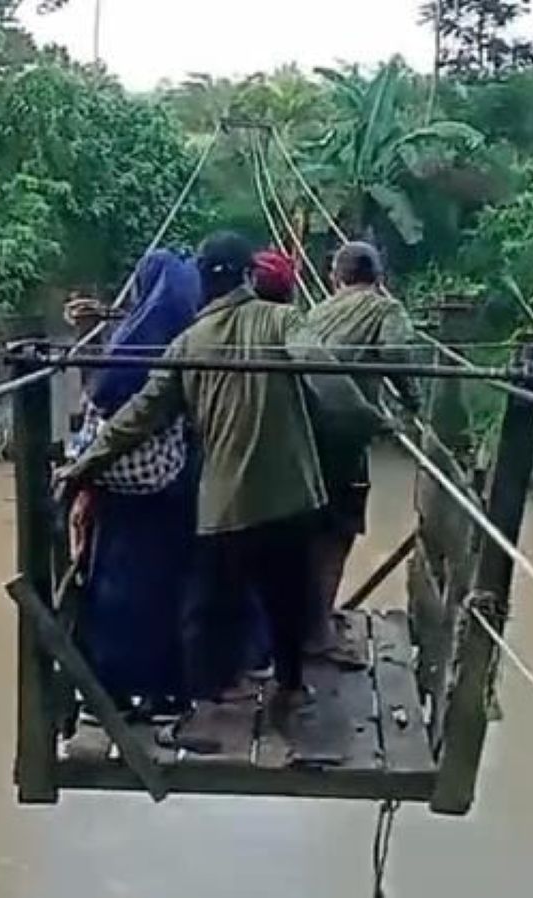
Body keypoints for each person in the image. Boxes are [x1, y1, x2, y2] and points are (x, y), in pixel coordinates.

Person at [56, 232, 384, 715]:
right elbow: (324, 375)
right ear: (249, 277)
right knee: (287, 599)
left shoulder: (188, 342)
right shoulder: (281, 318)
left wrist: (82, 466)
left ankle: (201, 697)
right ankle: (289, 688)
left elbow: (139, 415)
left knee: (205, 605)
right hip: (292, 494)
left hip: (224, 503)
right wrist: (370, 421)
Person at [69, 249, 203, 720]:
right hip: (165, 488)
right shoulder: (186, 337)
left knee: (112, 588)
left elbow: (100, 394)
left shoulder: (130, 335)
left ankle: (106, 692)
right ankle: (165, 693)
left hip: (115, 486)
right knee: (167, 589)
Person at [303, 241, 420, 663]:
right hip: (344, 435)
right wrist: (412, 398)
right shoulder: (385, 309)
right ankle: (318, 630)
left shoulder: (317, 311)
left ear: (337, 278)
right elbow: (395, 353)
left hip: (301, 433)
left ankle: (308, 619)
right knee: (339, 529)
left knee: (311, 526)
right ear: (379, 277)